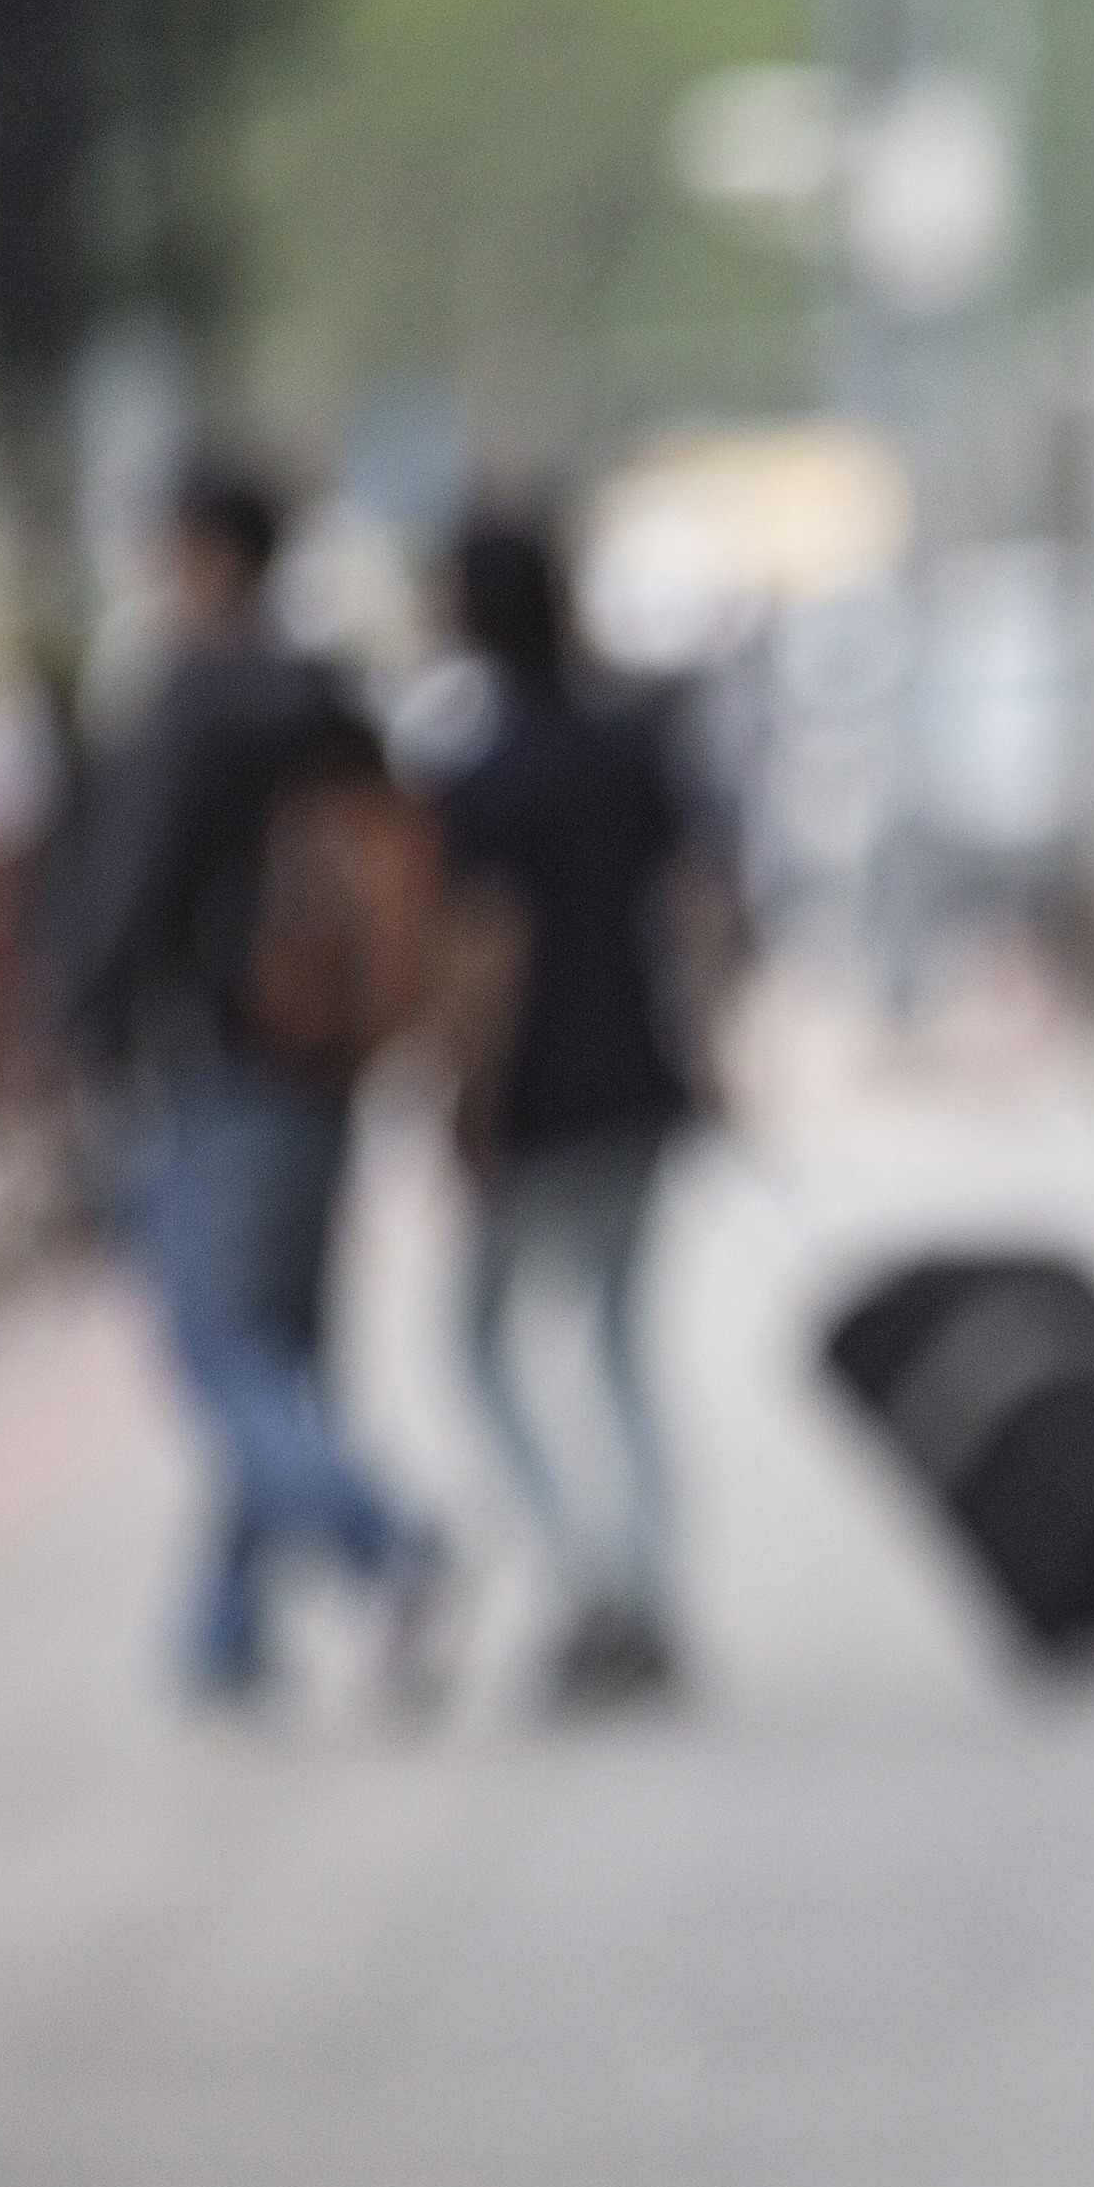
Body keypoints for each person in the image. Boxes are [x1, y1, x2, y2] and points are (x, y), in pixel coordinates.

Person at [60, 460, 449, 1713]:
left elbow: (131, 891)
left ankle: (383, 1538)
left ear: (208, 556)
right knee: (282, 1348)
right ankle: (225, 1632)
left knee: (218, 1349)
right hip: (328, 1061)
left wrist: (77, 1024)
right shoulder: (335, 698)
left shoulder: (192, 702)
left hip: (216, 1056)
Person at [423, 501, 724, 1711]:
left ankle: (585, 1573)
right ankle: (645, 1579)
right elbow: (695, 909)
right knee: (620, 1342)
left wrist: (469, 1096)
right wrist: (708, 1051)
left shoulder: (484, 771)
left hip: (541, 1088)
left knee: (483, 1340)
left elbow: (489, 951)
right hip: (643, 1074)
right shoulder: (629, 742)